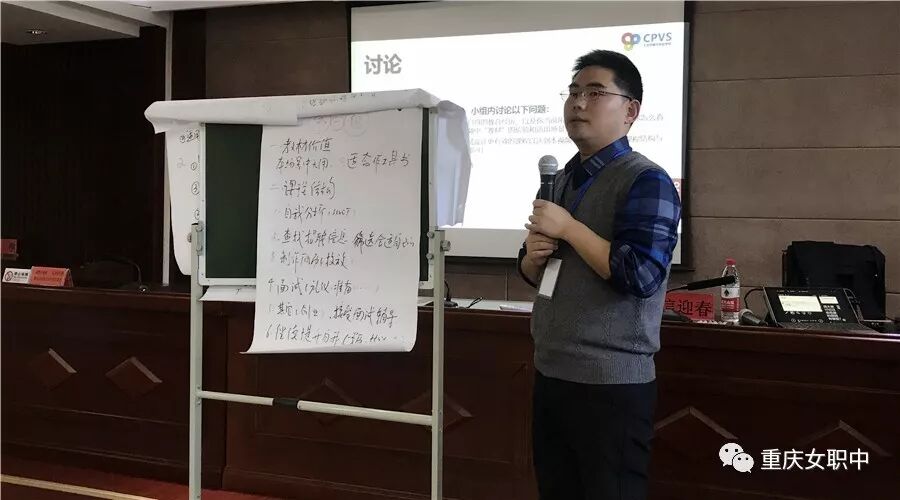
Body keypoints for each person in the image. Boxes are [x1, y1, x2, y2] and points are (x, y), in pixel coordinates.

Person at [516, 50, 682, 500]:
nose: (577, 103)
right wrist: (531, 259)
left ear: (630, 111)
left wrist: (569, 228)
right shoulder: (560, 179)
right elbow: (538, 270)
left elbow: (641, 275)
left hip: (611, 384)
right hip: (552, 371)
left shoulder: (647, 180)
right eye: (573, 93)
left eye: (594, 93)